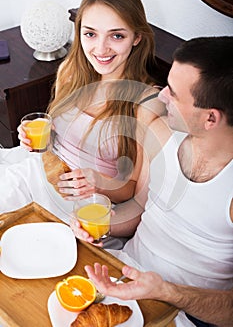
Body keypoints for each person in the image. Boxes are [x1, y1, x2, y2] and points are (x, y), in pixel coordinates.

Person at [77, 36, 233, 327]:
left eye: (173, 93)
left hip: (188, 313)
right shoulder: (161, 136)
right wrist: (97, 228)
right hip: (123, 272)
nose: (162, 97)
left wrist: (166, 291)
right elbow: (139, 212)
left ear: (210, 118)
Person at [0, 0, 165, 223]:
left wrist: (97, 181)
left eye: (117, 36)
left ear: (137, 37)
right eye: (90, 34)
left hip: (83, 205)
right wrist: (35, 139)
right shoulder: (71, 71)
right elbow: (54, 142)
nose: (101, 49)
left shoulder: (147, 104)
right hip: (37, 172)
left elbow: (133, 192)